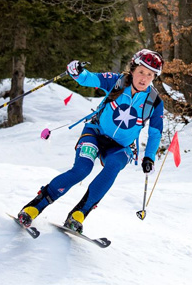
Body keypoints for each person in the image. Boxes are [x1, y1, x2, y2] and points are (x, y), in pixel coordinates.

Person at [17, 49, 164, 234]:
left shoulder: (155, 101)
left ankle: (78, 215)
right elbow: (90, 79)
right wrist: (77, 72)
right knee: (81, 170)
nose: (144, 78)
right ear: (133, 69)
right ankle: (34, 207)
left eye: (150, 75)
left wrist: (149, 157)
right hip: (95, 133)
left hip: (121, 147)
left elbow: (155, 132)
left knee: (113, 166)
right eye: (141, 71)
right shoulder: (117, 81)